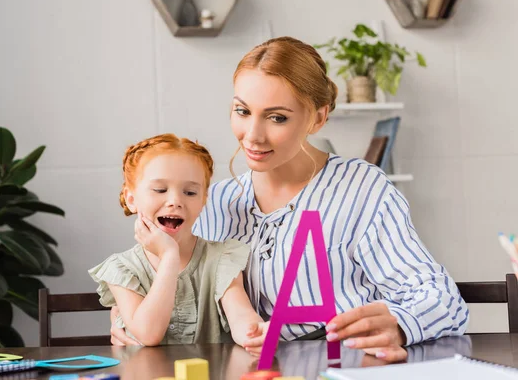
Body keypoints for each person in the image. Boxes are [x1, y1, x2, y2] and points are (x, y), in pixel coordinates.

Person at [110, 37, 469, 363]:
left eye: (277, 117)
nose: (252, 135)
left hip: (343, 366)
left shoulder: (361, 189)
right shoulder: (214, 202)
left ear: (318, 117)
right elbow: (176, 285)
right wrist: (127, 316)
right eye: (242, 111)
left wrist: (402, 325)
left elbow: (444, 301)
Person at [89, 134, 268, 353]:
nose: (175, 201)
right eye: (160, 190)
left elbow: (241, 314)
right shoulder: (121, 268)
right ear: (132, 199)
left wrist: (255, 333)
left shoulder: (222, 258)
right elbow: (148, 334)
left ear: (203, 200)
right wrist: (169, 258)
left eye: (190, 192)